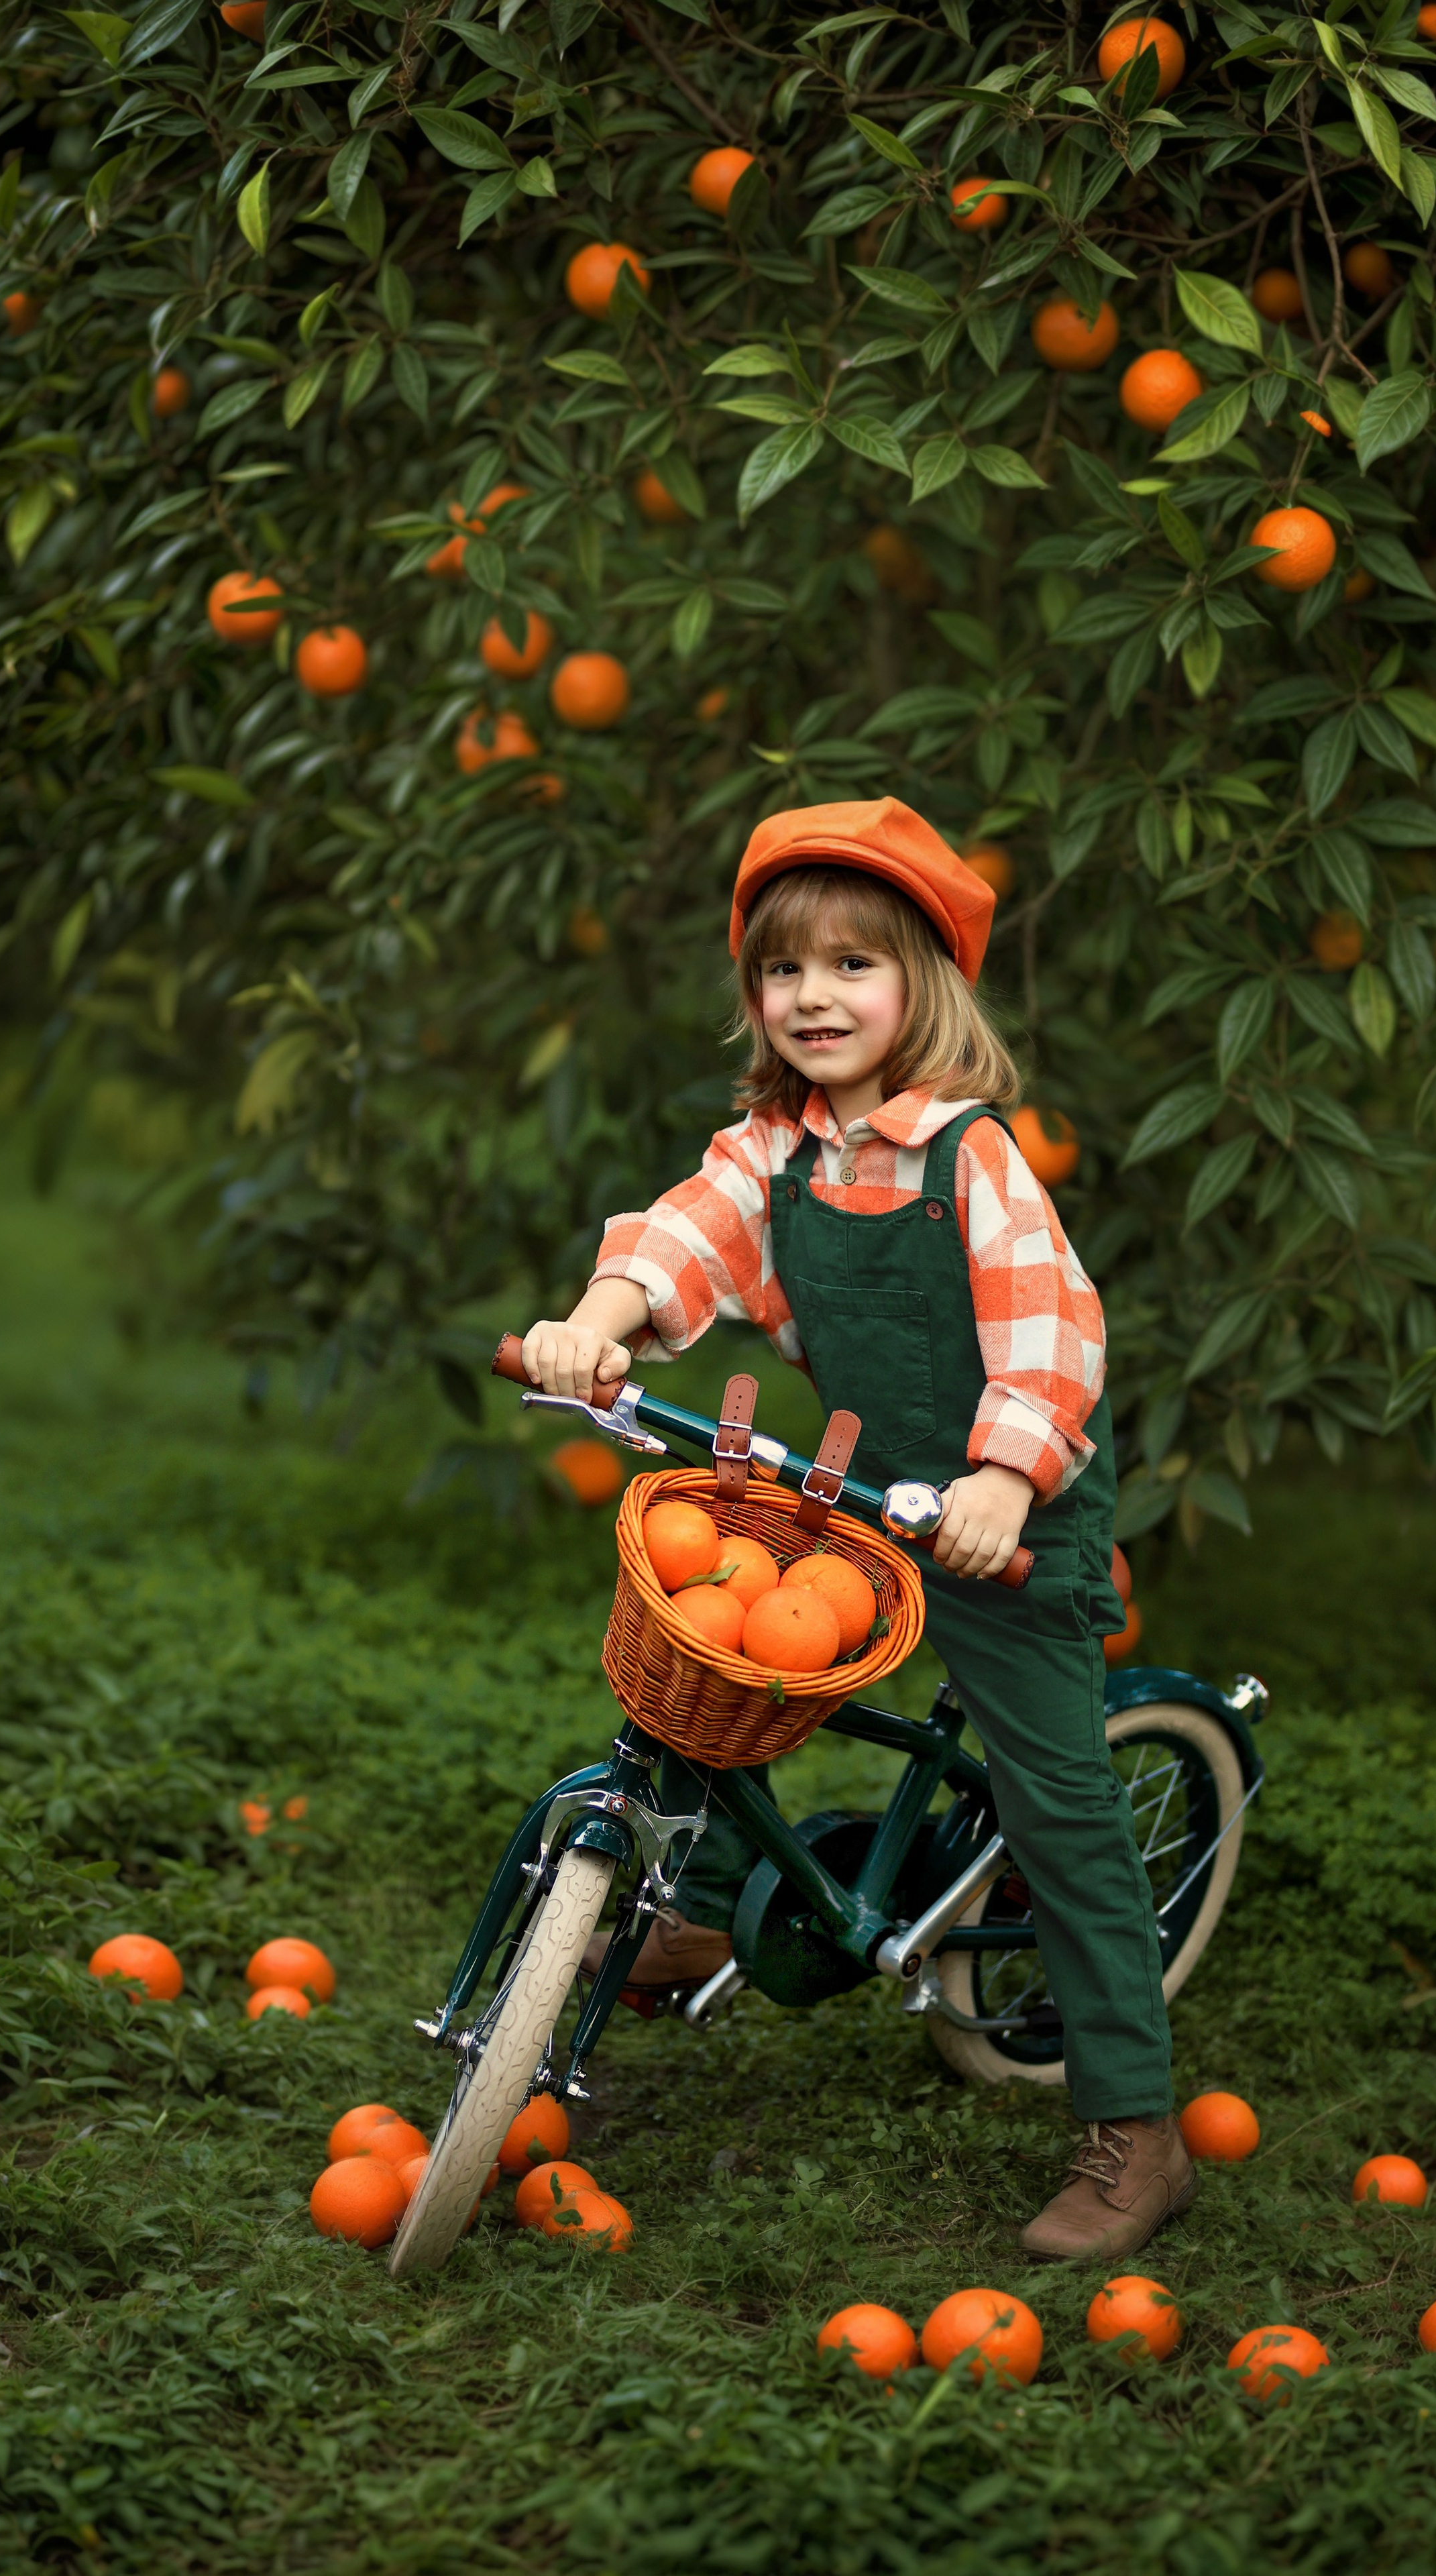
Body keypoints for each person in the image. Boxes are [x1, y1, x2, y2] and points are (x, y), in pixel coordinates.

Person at [519, 797, 1196, 2262]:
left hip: (1000, 1519)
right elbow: (683, 1232)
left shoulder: (970, 1159)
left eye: (851, 967)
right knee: (718, 1644)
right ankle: (703, 1906)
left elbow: (1051, 1333)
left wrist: (1006, 1479)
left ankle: (1135, 2128)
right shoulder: (778, 1149)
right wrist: (597, 1321)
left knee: (1059, 1806)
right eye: (783, 973)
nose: (813, 998)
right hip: (854, 1492)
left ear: (922, 990)